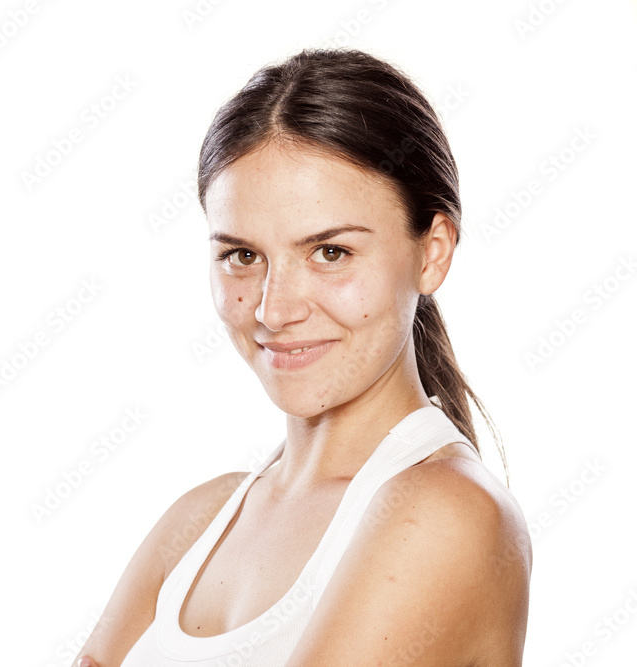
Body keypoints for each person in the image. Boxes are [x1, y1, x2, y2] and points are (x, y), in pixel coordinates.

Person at [72, 47, 532, 666]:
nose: (273, 309)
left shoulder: (447, 515)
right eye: (242, 256)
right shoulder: (201, 520)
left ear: (433, 252)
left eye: (330, 253)